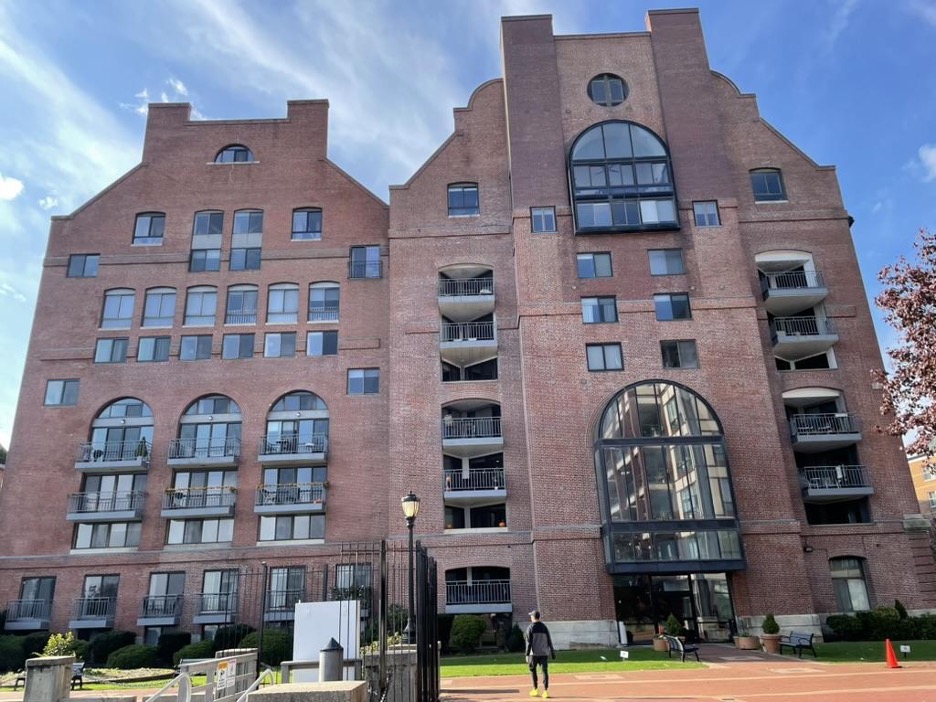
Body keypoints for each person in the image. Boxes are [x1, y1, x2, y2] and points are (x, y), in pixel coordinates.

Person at [525, 609, 556, 698]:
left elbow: (529, 642)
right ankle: (546, 691)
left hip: (533, 654)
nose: (530, 617)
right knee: (545, 671)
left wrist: (527, 654)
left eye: (531, 616)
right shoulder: (544, 627)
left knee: (533, 671)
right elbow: (549, 640)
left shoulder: (530, 628)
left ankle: (535, 689)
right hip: (544, 653)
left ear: (533, 617)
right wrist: (552, 652)